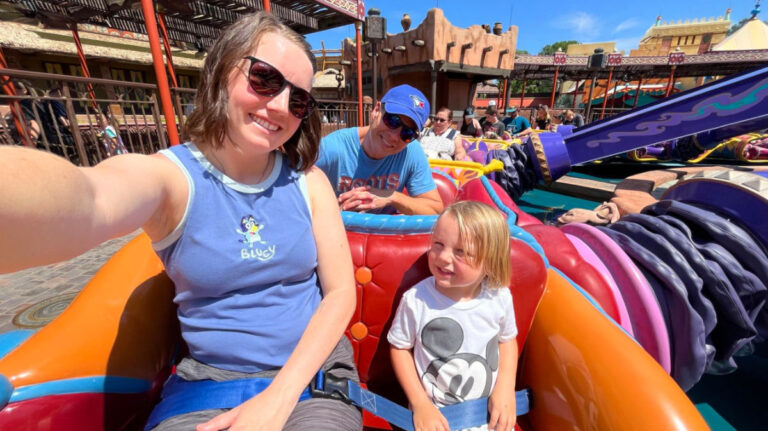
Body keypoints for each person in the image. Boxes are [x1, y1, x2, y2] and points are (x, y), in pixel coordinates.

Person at [0, 12, 361, 431]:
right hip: (209, 380)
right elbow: (91, 199)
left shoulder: (308, 181)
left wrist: (278, 400)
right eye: (264, 79)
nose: (280, 105)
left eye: (298, 99)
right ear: (222, 72)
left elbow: (339, 294)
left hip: (312, 374)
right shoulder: (171, 180)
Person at [388, 201, 519, 431]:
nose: (444, 257)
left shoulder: (499, 297)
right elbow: (399, 348)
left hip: (487, 414)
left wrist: (506, 388)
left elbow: (507, 340)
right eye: (438, 244)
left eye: (461, 252)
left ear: (490, 261)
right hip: (436, 416)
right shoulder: (417, 300)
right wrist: (420, 404)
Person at [316, 84, 443, 215]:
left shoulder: (411, 151)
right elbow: (295, 192)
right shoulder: (332, 148)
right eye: (392, 121)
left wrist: (393, 197)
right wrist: (332, 210)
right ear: (376, 110)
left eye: (407, 133)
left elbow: (435, 209)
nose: (394, 137)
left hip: (383, 233)